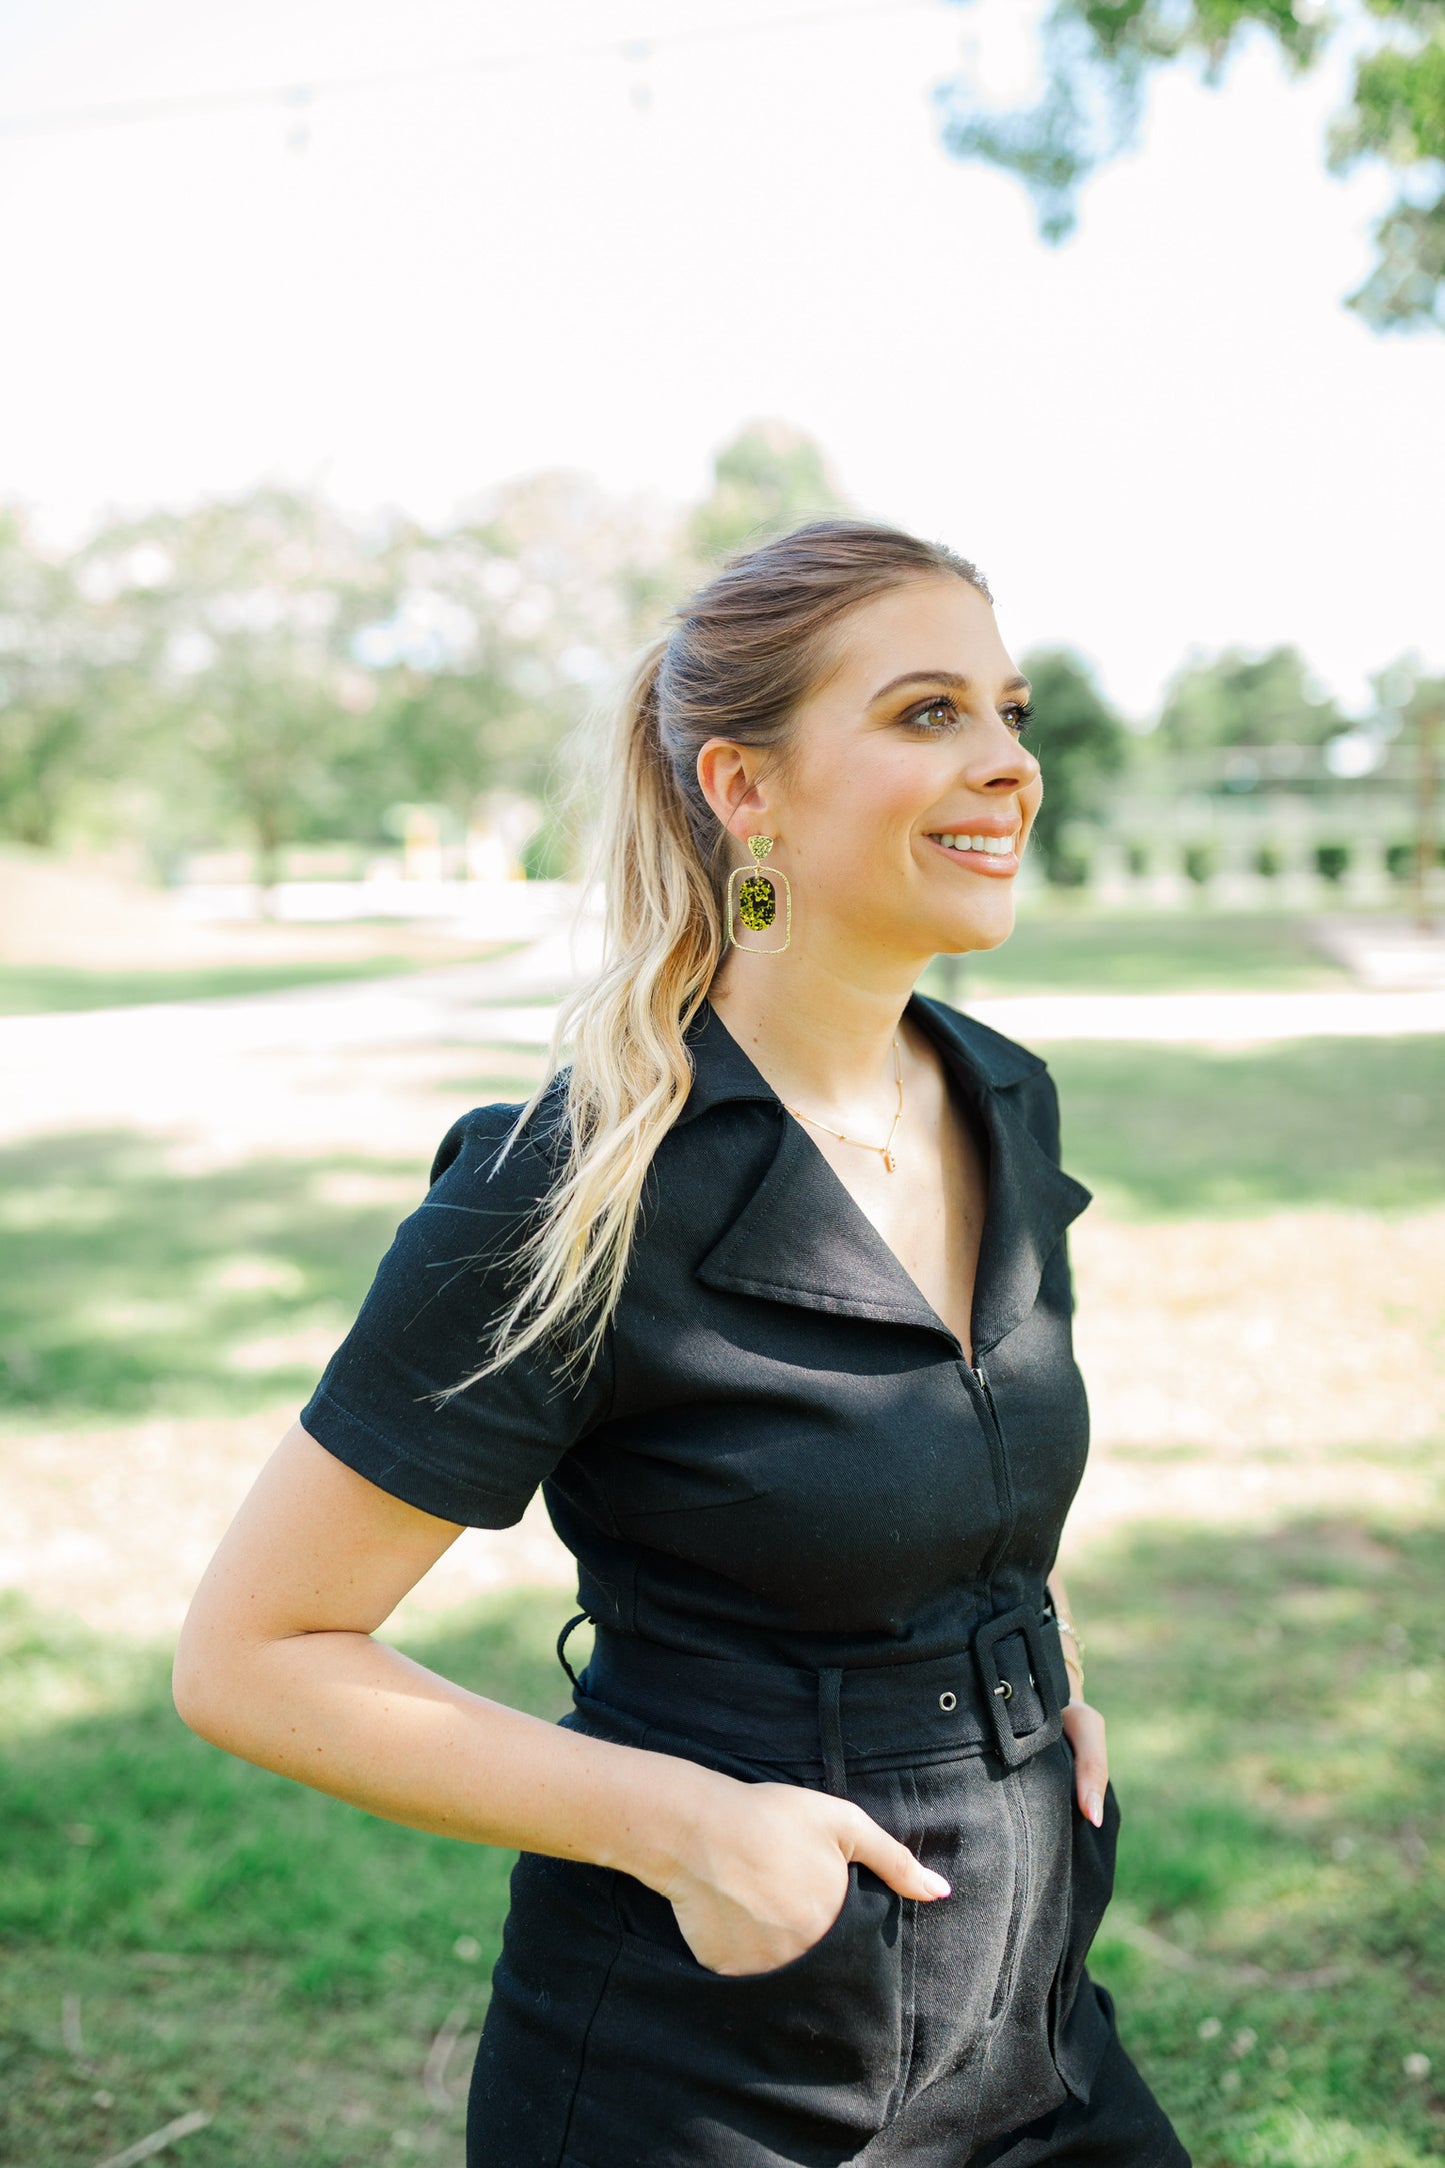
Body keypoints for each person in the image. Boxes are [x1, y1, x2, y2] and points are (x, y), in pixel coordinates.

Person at [173, 519, 1191, 2167]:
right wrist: (692, 1830)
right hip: (715, 2060)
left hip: (1034, 2019)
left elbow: (966, 1443)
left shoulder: (1001, 1096)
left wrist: (1029, 1653)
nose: (1010, 761)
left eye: (1007, 713)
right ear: (742, 789)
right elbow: (253, 1653)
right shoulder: (571, 1187)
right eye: (927, 712)